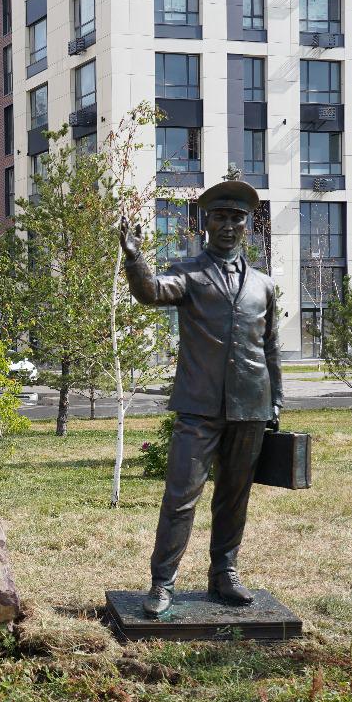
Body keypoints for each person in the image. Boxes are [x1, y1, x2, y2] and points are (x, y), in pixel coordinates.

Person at [121, 180, 282, 618]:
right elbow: (151, 292)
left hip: (251, 406)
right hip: (198, 406)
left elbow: (269, 347)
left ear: (248, 224)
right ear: (205, 222)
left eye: (237, 218)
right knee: (181, 496)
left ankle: (224, 574)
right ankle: (162, 583)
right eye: (220, 217)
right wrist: (135, 259)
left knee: (234, 496)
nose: (229, 225)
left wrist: (277, 402)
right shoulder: (188, 273)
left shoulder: (264, 285)